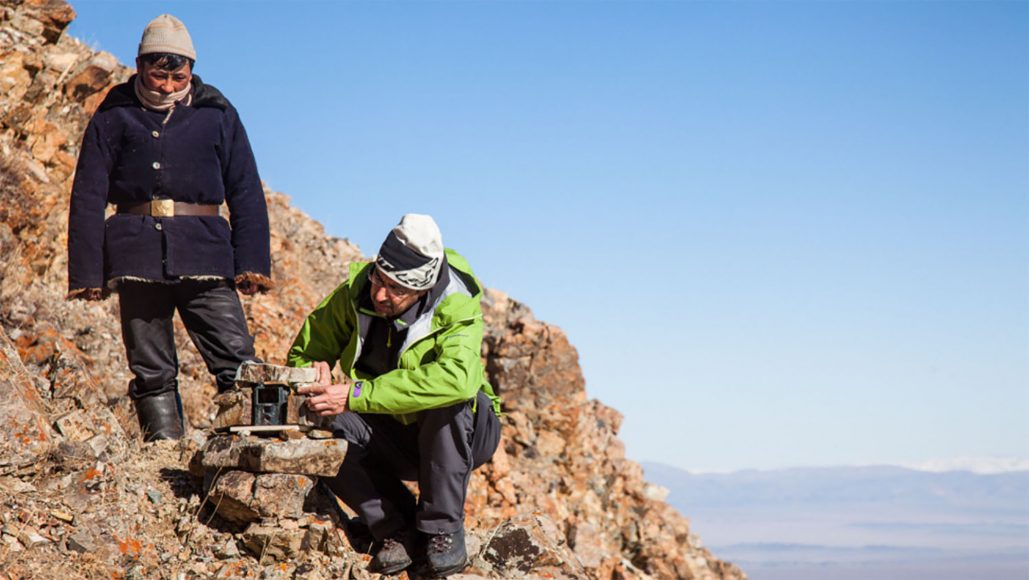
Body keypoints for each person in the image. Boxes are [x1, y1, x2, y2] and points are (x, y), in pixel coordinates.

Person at [66, 14, 272, 441]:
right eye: (159, 75)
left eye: (178, 76)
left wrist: (251, 264)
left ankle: (256, 446)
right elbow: (88, 194)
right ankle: (163, 454)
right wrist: (88, 275)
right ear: (140, 66)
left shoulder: (217, 111)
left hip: (206, 254)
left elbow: (246, 188)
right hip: (135, 253)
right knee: (150, 366)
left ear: (190, 70)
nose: (167, 86)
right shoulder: (114, 112)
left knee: (237, 361)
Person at [288, 214, 501, 577]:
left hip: (461, 435)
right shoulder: (355, 293)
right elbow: (304, 353)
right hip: (392, 432)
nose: (381, 294)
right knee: (317, 414)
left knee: (444, 399)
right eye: (379, 279)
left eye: (397, 289)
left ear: (421, 289)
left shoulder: (456, 303)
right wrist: (314, 369)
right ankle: (396, 528)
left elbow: (458, 380)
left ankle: (442, 530)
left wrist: (356, 394)